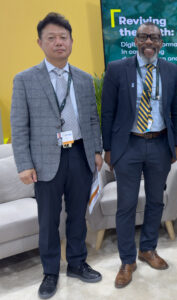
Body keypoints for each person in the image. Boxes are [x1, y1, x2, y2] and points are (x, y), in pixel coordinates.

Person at [10, 12, 103, 299]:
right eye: (51, 38)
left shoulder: (85, 79)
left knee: (78, 214)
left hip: (79, 155)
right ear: (40, 42)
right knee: (48, 219)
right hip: (44, 161)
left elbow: (91, 120)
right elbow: (19, 125)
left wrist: (97, 150)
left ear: (71, 41)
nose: (58, 42)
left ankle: (76, 263)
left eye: (63, 37)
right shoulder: (25, 79)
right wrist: (24, 164)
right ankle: (50, 272)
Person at [101, 22, 177, 288]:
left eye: (155, 37)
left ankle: (147, 248)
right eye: (144, 37)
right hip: (128, 145)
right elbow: (108, 112)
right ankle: (127, 260)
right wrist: (108, 148)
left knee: (156, 202)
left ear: (161, 43)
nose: (149, 41)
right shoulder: (117, 69)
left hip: (160, 144)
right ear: (135, 41)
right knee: (126, 204)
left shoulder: (171, 70)